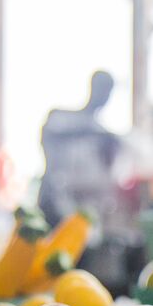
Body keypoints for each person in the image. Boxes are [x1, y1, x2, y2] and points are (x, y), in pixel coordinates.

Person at [37, 70, 121, 226]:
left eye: (108, 91)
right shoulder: (60, 117)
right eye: (103, 89)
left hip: (84, 212)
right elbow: (52, 134)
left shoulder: (101, 132)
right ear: (93, 87)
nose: (105, 96)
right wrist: (92, 134)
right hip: (52, 205)